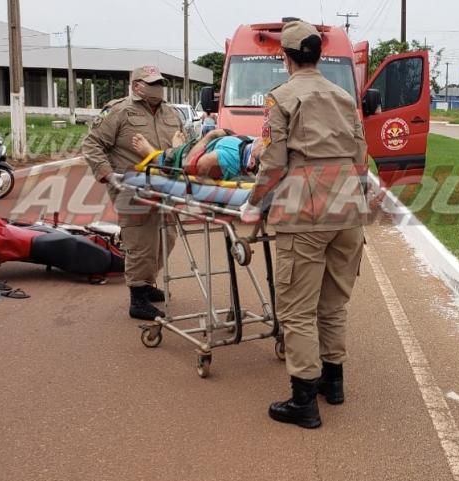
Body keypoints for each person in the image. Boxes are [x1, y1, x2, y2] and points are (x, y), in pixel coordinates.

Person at [239, 21, 369, 428]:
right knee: (333, 302)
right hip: (348, 204)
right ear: (317, 54)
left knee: (296, 309)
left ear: (287, 57)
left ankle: (304, 402)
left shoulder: (283, 98)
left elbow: (274, 162)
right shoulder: (343, 96)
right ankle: (334, 383)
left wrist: (254, 201)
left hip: (306, 207)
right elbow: (362, 154)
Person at [83, 65, 184, 321]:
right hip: (130, 185)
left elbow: (183, 146)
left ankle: (146, 283)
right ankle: (137, 297)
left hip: (164, 185)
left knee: (167, 238)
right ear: (137, 86)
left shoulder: (171, 113)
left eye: (160, 82)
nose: (159, 87)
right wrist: (108, 174)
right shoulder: (119, 111)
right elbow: (92, 144)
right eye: (152, 83)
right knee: (140, 240)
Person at [130, 128, 263, 181]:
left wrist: (208, 138)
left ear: (252, 162)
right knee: (216, 134)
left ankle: (156, 155)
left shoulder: (226, 159)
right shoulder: (259, 144)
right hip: (238, 145)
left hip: (199, 159)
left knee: (181, 162)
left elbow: (192, 166)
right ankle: (180, 148)